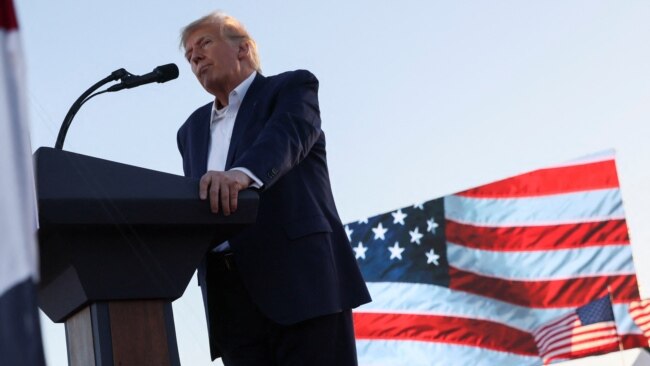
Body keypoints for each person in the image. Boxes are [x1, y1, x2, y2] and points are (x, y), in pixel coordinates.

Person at [176, 11, 371, 366]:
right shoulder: (189, 131)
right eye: (189, 55)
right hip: (229, 302)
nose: (195, 57)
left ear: (243, 48)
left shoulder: (291, 88)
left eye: (204, 43)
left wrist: (241, 174)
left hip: (301, 286)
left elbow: (286, 138)